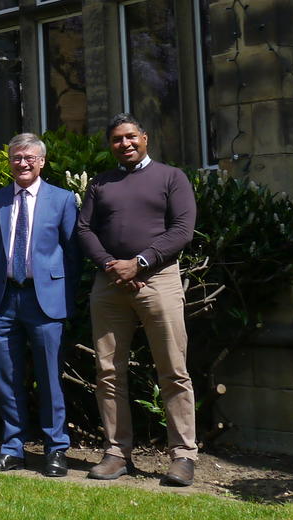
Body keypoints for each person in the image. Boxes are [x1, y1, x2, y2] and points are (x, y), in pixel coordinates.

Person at [75, 114, 199, 486]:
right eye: (116, 139)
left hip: (157, 280)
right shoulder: (101, 183)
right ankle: (117, 452)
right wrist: (113, 267)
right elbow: (84, 229)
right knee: (109, 371)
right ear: (110, 145)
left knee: (173, 370)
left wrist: (140, 263)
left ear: (144, 138)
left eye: (131, 137)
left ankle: (183, 456)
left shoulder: (171, 177)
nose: (125, 144)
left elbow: (182, 229)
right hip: (110, 283)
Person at [0, 133, 80, 477]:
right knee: (7, 378)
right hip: (5, 299)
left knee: (50, 377)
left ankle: (55, 449)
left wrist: (64, 300)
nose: (22, 164)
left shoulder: (63, 200)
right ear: (9, 163)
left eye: (29, 158)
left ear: (42, 162)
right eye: (16, 158)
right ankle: (12, 449)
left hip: (44, 302)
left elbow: (72, 254)